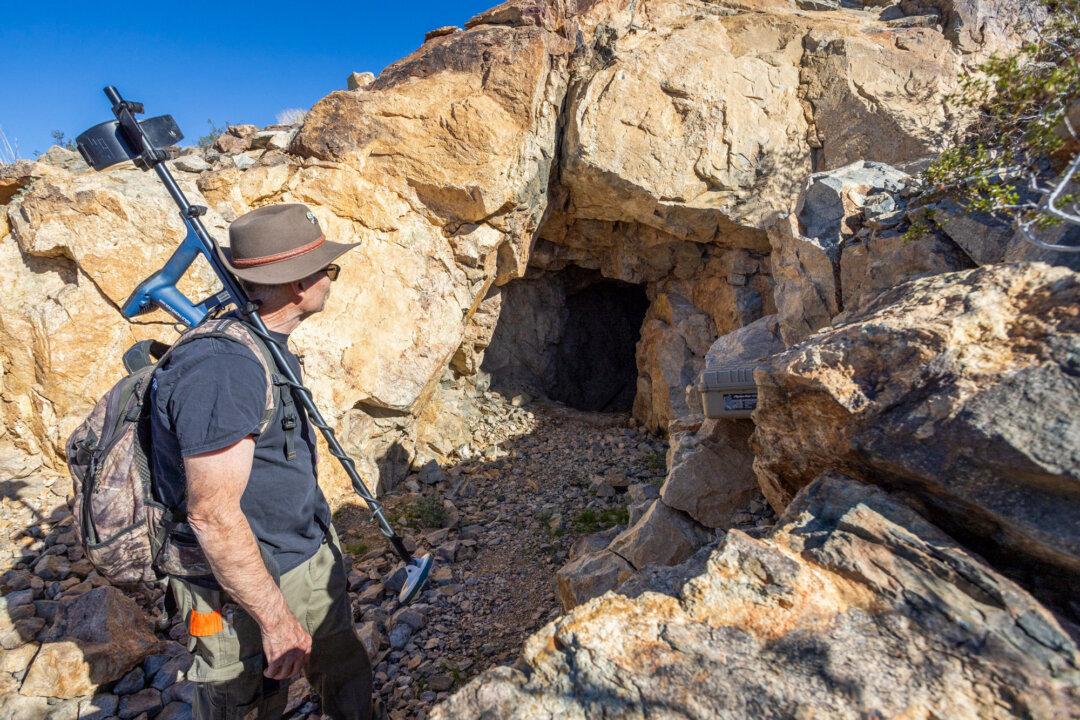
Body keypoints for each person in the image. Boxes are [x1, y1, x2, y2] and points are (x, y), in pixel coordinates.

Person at [149, 203, 372, 720]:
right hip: (243, 588)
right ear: (298, 284)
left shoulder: (260, 342)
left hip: (303, 557)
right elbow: (213, 515)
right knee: (247, 700)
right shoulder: (224, 369)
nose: (331, 280)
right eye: (329, 270)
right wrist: (275, 621)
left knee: (344, 673)